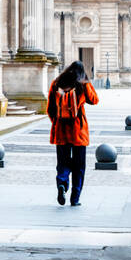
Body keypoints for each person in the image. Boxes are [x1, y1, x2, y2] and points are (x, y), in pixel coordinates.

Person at [46, 60, 99, 208]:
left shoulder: (57, 83)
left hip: (61, 131)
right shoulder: (81, 84)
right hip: (78, 131)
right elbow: (94, 100)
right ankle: (75, 198)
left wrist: (56, 122)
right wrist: (87, 82)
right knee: (79, 167)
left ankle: (62, 184)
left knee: (62, 163)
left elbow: (50, 108)